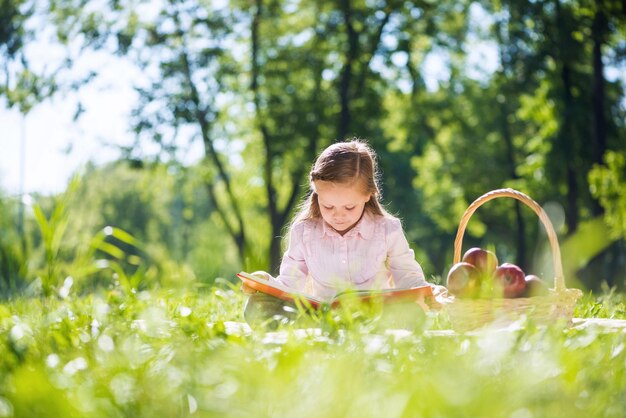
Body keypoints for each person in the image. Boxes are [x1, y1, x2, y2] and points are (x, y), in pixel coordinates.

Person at [243, 138, 438, 328]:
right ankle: (329, 327)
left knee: (412, 313)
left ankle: (350, 328)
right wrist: (265, 284)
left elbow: (408, 276)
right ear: (316, 193)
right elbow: (289, 284)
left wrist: (430, 293)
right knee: (256, 308)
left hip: (375, 315)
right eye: (328, 206)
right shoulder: (304, 231)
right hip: (321, 317)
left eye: (349, 207)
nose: (338, 216)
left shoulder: (387, 230)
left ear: (369, 195)